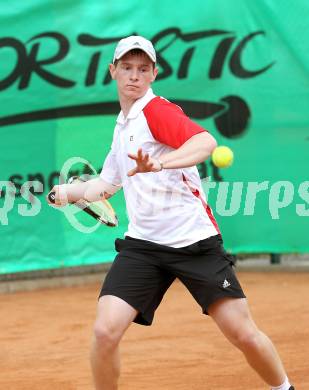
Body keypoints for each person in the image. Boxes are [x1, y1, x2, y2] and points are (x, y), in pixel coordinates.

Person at [48, 35, 294, 390]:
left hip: (194, 242)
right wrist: (69, 192)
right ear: (113, 71)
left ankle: (284, 388)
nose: (134, 76)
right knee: (105, 332)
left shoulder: (157, 111)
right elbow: (105, 185)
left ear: (154, 74)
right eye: (127, 68)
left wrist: (159, 164)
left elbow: (205, 142)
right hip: (144, 247)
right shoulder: (123, 126)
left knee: (243, 334)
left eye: (143, 69)